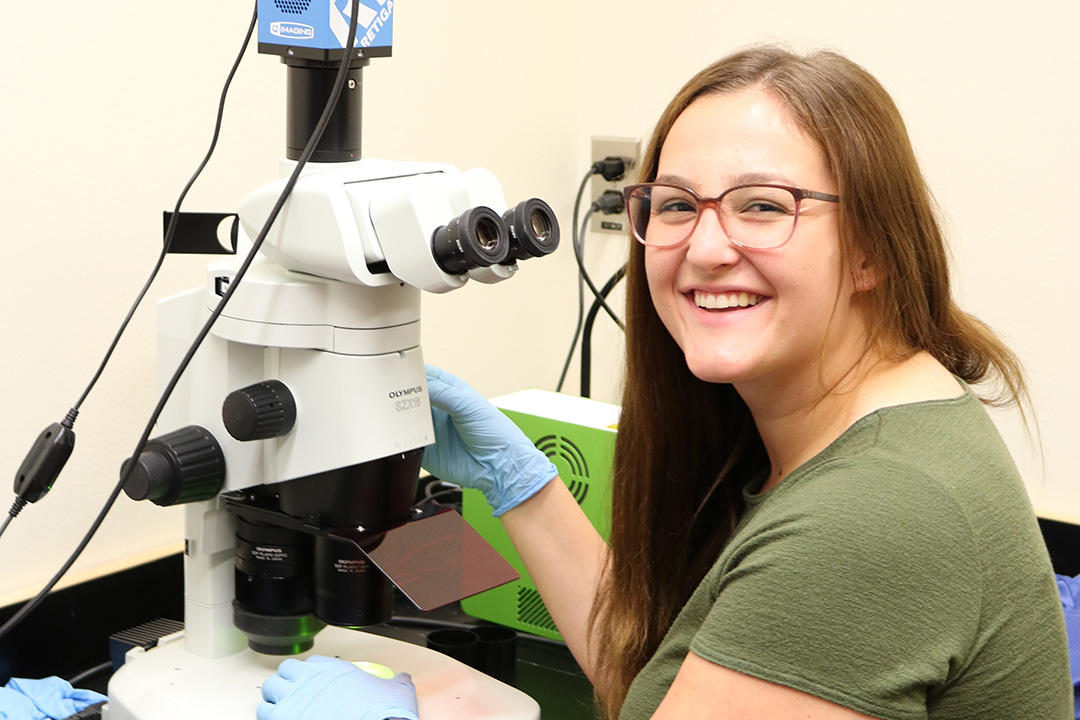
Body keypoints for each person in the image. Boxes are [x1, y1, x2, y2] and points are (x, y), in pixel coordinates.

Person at [257, 45, 1072, 720]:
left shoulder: (874, 518)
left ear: (871, 250)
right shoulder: (842, 431)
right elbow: (659, 681)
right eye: (676, 206)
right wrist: (524, 485)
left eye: (762, 206)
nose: (706, 247)